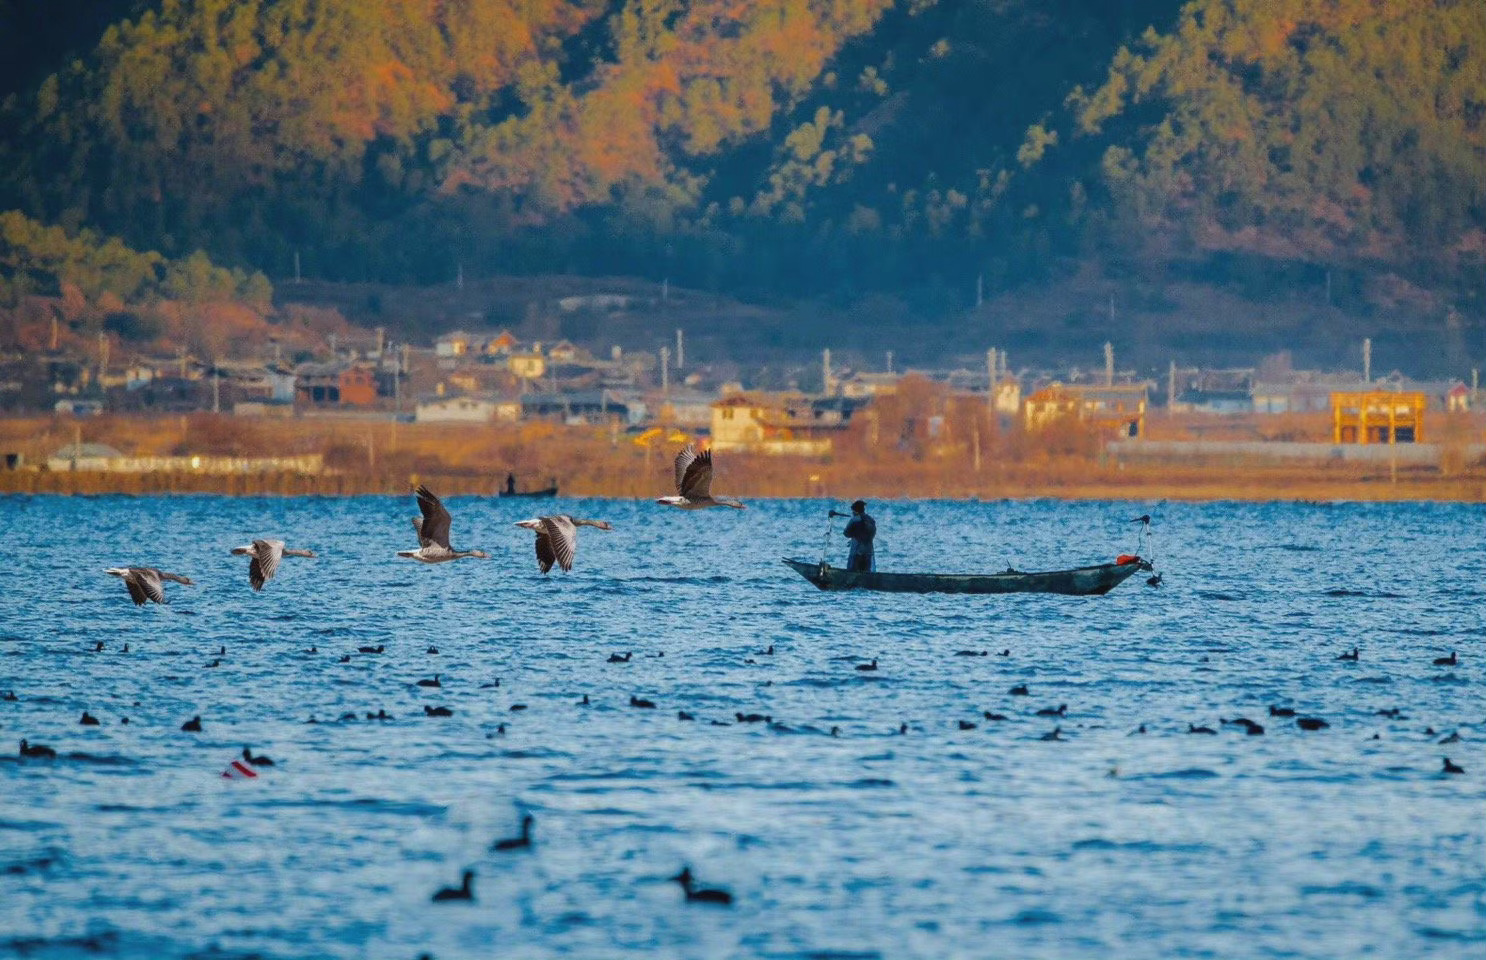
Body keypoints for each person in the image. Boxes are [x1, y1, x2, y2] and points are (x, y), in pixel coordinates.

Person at [843, 500, 876, 572]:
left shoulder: (854, 520)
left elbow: (846, 533)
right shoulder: (871, 520)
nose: (852, 513)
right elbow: (873, 534)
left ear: (856, 511)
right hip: (869, 551)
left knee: (853, 572)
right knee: (866, 573)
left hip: (856, 552)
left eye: (853, 511)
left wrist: (854, 535)